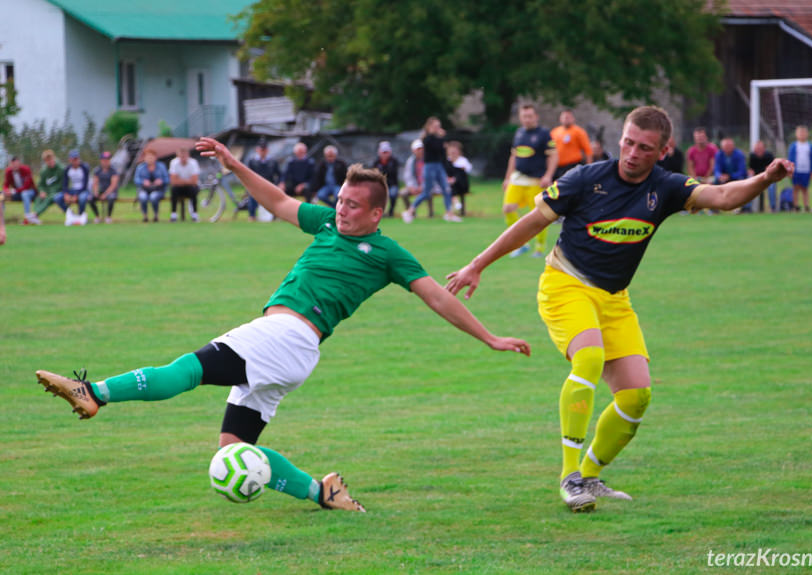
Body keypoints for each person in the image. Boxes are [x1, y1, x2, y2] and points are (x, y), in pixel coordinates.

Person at [36, 136, 531, 514]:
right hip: (287, 350)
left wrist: (489, 337)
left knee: (189, 368)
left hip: (287, 338)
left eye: (353, 206)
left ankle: (94, 391)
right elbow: (276, 201)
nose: (341, 209)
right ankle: (325, 492)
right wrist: (233, 165)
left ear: (377, 213)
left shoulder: (387, 253)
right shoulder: (325, 223)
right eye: (339, 200)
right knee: (234, 450)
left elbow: (438, 298)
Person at [445, 105, 793, 513]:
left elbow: (722, 196)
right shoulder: (584, 179)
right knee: (589, 357)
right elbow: (531, 223)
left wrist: (766, 178)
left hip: (614, 299)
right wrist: (476, 265)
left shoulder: (666, 187)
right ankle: (570, 477)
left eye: (644, 147)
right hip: (565, 284)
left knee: (636, 396)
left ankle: (591, 476)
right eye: (627, 142)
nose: (631, 153)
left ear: (662, 151)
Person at [501, 104, 557, 257]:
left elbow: (553, 155)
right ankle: (521, 244)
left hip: (536, 180)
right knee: (508, 208)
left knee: (539, 214)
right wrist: (507, 178)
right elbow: (514, 156)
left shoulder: (544, 133)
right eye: (524, 116)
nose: (527, 119)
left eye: (530, 116)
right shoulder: (519, 133)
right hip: (518, 178)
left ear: (536, 117)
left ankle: (539, 247)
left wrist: (548, 176)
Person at [402, 117, 461, 223]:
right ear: (429, 127)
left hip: (439, 166)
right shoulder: (427, 139)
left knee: (447, 189)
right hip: (430, 167)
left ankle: (449, 213)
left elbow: (442, 153)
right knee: (426, 192)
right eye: (435, 126)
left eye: (439, 126)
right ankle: (410, 211)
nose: (438, 128)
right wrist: (442, 138)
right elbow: (437, 147)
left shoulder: (438, 139)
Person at [551, 109, 592, 179]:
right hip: (557, 167)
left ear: (573, 119)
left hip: (572, 165)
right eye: (564, 117)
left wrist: (589, 168)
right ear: (560, 119)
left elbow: (588, 150)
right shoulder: (554, 132)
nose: (566, 119)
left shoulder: (579, 132)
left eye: (568, 117)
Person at [246, 139, 280, 221]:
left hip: (270, 186)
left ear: (267, 150)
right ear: (257, 150)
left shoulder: (273, 161)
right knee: (253, 195)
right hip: (256, 187)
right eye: (261, 149)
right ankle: (252, 215)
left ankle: (275, 215)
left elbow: (279, 174)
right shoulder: (252, 161)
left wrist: (280, 184)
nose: (262, 151)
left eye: (264, 150)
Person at [54, 149, 90, 224]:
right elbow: (65, 184)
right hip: (72, 190)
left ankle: (80, 216)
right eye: (73, 159)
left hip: (83, 190)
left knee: (82, 198)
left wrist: (76, 195)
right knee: (57, 198)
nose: (75, 161)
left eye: (76, 159)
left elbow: (85, 185)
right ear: (70, 160)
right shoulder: (67, 169)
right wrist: (66, 194)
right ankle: (70, 214)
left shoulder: (84, 168)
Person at [787, 125, 812, 212]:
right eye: (800, 133)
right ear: (796, 134)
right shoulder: (793, 146)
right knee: (796, 188)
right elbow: (790, 159)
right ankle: (796, 205)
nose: (802, 135)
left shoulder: (810, 147)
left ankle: (806, 205)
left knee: (805, 188)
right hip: (796, 171)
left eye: (804, 133)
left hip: (806, 171)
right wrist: (790, 171)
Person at [134, 149, 169, 223]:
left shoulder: (161, 167)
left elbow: (167, 179)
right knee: (143, 197)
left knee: (153, 197)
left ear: (155, 157)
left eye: (151, 157)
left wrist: (161, 181)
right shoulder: (140, 167)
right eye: (148, 157)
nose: (150, 159)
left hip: (158, 189)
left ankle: (156, 215)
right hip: (144, 189)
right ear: (145, 158)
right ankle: (145, 216)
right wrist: (143, 182)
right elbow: (136, 179)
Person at [3, 156, 39, 224]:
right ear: (10, 165)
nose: (14, 166)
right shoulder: (8, 171)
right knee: (1, 194)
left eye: (16, 164)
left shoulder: (26, 169)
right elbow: (5, 184)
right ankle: (1, 219)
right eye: (13, 165)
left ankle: (27, 218)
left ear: (19, 163)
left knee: (24, 194)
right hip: (17, 193)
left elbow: (26, 186)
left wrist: (14, 191)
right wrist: (6, 190)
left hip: (31, 192)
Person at [169, 147, 201, 222]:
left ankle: (194, 214)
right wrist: (187, 181)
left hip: (191, 187)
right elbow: (173, 181)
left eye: (184, 156)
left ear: (188, 155)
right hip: (179, 188)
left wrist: (180, 181)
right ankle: (173, 214)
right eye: (181, 156)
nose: (183, 158)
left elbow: (194, 181)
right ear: (178, 156)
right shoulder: (174, 163)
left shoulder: (193, 163)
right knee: (173, 189)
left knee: (193, 190)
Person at [714, 138, 747, 210]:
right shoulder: (719, 155)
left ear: (733, 146)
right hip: (724, 178)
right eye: (726, 147)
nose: (728, 148)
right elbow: (716, 169)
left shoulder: (739, 154)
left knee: (744, 183)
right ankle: (714, 208)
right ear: (722, 147)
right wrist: (719, 176)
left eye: (729, 146)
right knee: (715, 183)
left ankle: (745, 208)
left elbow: (742, 171)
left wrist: (730, 176)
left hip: (736, 177)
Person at [398, 139, 430, 215]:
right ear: (413, 150)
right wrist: (411, 187)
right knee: (403, 193)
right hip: (414, 187)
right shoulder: (410, 161)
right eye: (418, 149)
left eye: (421, 149)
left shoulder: (428, 160)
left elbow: (430, 176)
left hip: (426, 186)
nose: (420, 151)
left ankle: (430, 214)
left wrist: (422, 186)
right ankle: (412, 213)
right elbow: (407, 176)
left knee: (428, 192)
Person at [90, 152, 120, 223]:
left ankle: (108, 217)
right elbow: (95, 183)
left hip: (111, 191)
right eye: (104, 160)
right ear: (101, 160)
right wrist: (96, 192)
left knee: (111, 198)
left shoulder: (113, 171)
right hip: (101, 190)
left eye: (107, 160)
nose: (106, 162)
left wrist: (105, 194)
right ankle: (97, 216)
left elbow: (113, 185)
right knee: (90, 198)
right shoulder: (97, 170)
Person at [445, 140, 471, 216]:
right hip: (451, 185)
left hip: (462, 185)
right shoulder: (447, 161)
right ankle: (452, 209)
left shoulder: (463, 160)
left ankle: (452, 209)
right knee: (450, 187)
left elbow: (466, 170)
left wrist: (454, 179)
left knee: (460, 173)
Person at [748, 140, 775, 212]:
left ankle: (773, 207)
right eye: (757, 149)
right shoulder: (752, 156)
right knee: (747, 184)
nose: (758, 150)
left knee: (772, 187)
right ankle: (747, 208)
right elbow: (751, 169)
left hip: (768, 177)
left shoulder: (769, 156)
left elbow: (771, 169)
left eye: (760, 148)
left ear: (764, 149)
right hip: (756, 177)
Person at [35, 149, 63, 218]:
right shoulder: (44, 171)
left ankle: (35, 215)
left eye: (51, 159)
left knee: (49, 198)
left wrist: (52, 191)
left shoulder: (61, 169)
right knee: (39, 198)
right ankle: (35, 216)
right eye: (47, 160)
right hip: (47, 192)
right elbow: (40, 184)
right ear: (45, 161)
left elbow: (63, 184)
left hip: (58, 192)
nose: (50, 161)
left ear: (54, 157)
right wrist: (42, 191)